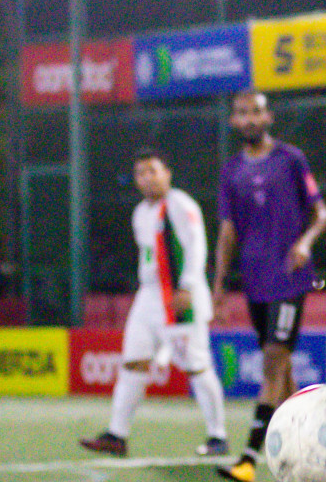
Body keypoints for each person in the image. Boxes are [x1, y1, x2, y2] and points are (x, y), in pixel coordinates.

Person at [213, 90, 326, 482]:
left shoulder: (291, 160)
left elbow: (322, 213)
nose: (249, 118)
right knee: (280, 372)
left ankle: (247, 458)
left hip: (290, 278)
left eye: (256, 112)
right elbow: (227, 233)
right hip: (254, 280)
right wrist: (218, 286)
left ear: (269, 117)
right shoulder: (231, 172)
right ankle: (313, 447)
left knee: (272, 361)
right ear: (234, 121)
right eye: (242, 112)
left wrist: (304, 243)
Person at [79, 148, 229, 458]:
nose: (147, 178)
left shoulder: (179, 205)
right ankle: (117, 435)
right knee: (133, 362)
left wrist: (187, 285)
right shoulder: (141, 212)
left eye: (153, 171)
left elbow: (196, 246)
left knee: (197, 366)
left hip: (176, 295)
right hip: (148, 297)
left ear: (167, 173)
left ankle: (218, 436)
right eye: (140, 173)